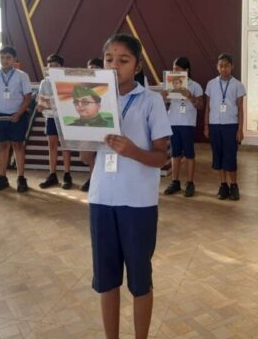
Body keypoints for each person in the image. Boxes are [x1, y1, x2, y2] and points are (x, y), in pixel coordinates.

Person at [88, 34, 171, 339]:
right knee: (106, 280)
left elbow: (162, 157)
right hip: (101, 199)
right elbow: (88, 158)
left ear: (136, 66)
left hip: (137, 203)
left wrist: (132, 151)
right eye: (109, 59)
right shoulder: (92, 100)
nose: (114, 65)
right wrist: (80, 136)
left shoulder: (150, 101)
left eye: (123, 60)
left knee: (139, 281)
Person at [0, 46, 33, 193]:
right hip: (0, 117)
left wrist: (18, 114)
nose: (5, 60)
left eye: (8, 57)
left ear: (14, 59)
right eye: (2, 57)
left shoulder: (22, 75)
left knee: (18, 146)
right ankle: (2, 177)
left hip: (17, 116)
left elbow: (27, 97)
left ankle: (21, 178)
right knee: (3, 146)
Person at [203, 53, 246, 200]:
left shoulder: (238, 85)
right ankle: (223, 185)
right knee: (218, 156)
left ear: (232, 66)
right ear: (217, 67)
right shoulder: (211, 84)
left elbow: (240, 109)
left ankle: (234, 185)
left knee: (230, 156)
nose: (224, 69)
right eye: (221, 66)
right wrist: (206, 126)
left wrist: (240, 129)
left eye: (226, 66)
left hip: (231, 125)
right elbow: (208, 107)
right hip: (214, 125)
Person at [162, 56, 203, 198]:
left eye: (177, 69)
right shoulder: (170, 84)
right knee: (175, 153)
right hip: (173, 122)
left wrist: (190, 97)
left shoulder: (195, 86)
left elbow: (200, 105)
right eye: (173, 69)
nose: (175, 72)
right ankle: (175, 182)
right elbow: (164, 102)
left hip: (187, 123)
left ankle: (190, 183)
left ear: (186, 70)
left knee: (189, 153)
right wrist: (163, 96)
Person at [37, 54, 74, 190]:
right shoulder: (44, 82)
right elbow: (41, 103)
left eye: (56, 66)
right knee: (52, 145)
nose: (52, 68)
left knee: (65, 145)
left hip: (65, 117)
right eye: (50, 66)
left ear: (62, 67)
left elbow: (71, 101)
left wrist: (53, 102)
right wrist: (42, 105)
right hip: (51, 117)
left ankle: (67, 174)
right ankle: (52, 174)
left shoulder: (67, 81)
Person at [79, 58, 104, 192]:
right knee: (86, 156)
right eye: (90, 68)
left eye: (96, 67)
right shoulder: (82, 85)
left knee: (103, 153)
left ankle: (96, 179)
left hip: (104, 123)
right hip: (87, 123)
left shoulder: (107, 84)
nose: (93, 70)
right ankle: (94, 176)